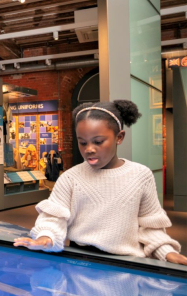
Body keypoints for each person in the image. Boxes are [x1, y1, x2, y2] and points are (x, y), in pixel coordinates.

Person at [14, 100, 187, 265]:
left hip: (128, 267)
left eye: (98, 142)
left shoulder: (141, 175)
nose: (89, 149)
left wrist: (166, 252)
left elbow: (150, 225)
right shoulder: (70, 178)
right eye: (82, 143)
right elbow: (53, 218)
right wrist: (47, 237)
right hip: (80, 264)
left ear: (119, 137)